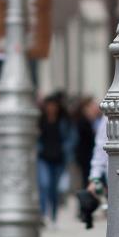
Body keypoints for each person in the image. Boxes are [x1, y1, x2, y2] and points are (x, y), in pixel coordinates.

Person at [37, 93, 74, 225]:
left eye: (53, 105)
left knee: (54, 188)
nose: (51, 108)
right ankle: (43, 213)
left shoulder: (64, 120)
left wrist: (67, 150)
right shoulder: (40, 120)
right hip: (43, 157)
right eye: (49, 105)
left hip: (58, 158)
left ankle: (53, 215)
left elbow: (71, 138)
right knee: (44, 184)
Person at [73, 96, 99, 188]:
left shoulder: (93, 121)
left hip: (88, 156)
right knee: (87, 179)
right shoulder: (83, 122)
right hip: (86, 157)